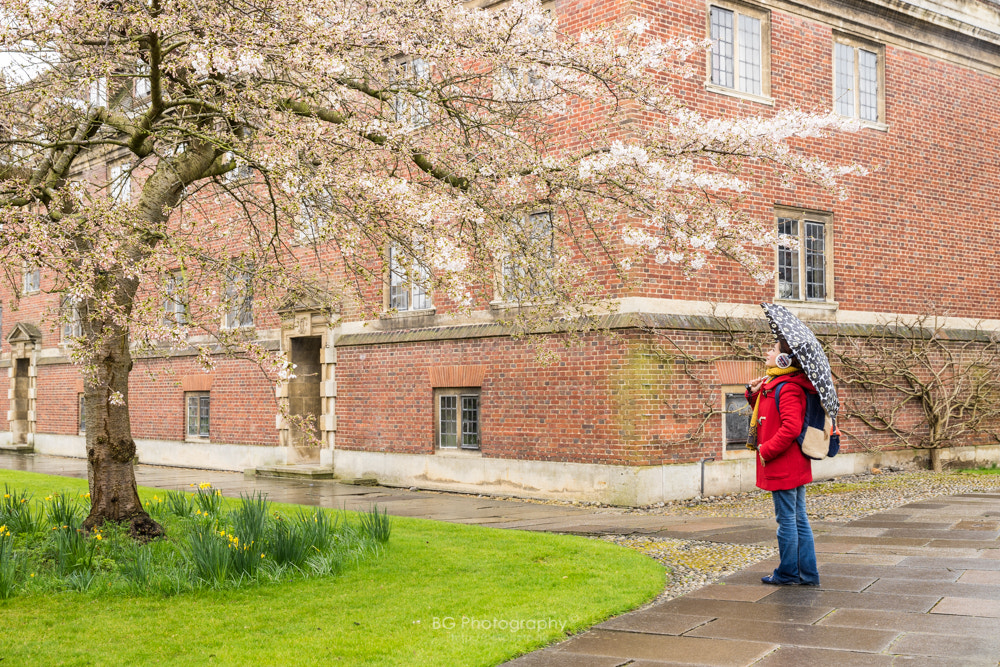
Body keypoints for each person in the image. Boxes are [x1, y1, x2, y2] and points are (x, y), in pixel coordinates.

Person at [745, 337, 820, 586]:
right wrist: (753, 392)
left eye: (774, 349)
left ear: (784, 358)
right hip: (790, 463)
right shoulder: (775, 383)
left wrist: (766, 451)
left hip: (783, 463)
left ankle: (789, 573)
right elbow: (768, 413)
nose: (768, 351)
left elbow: (790, 427)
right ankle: (806, 574)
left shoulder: (787, 387)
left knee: (787, 519)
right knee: (797, 517)